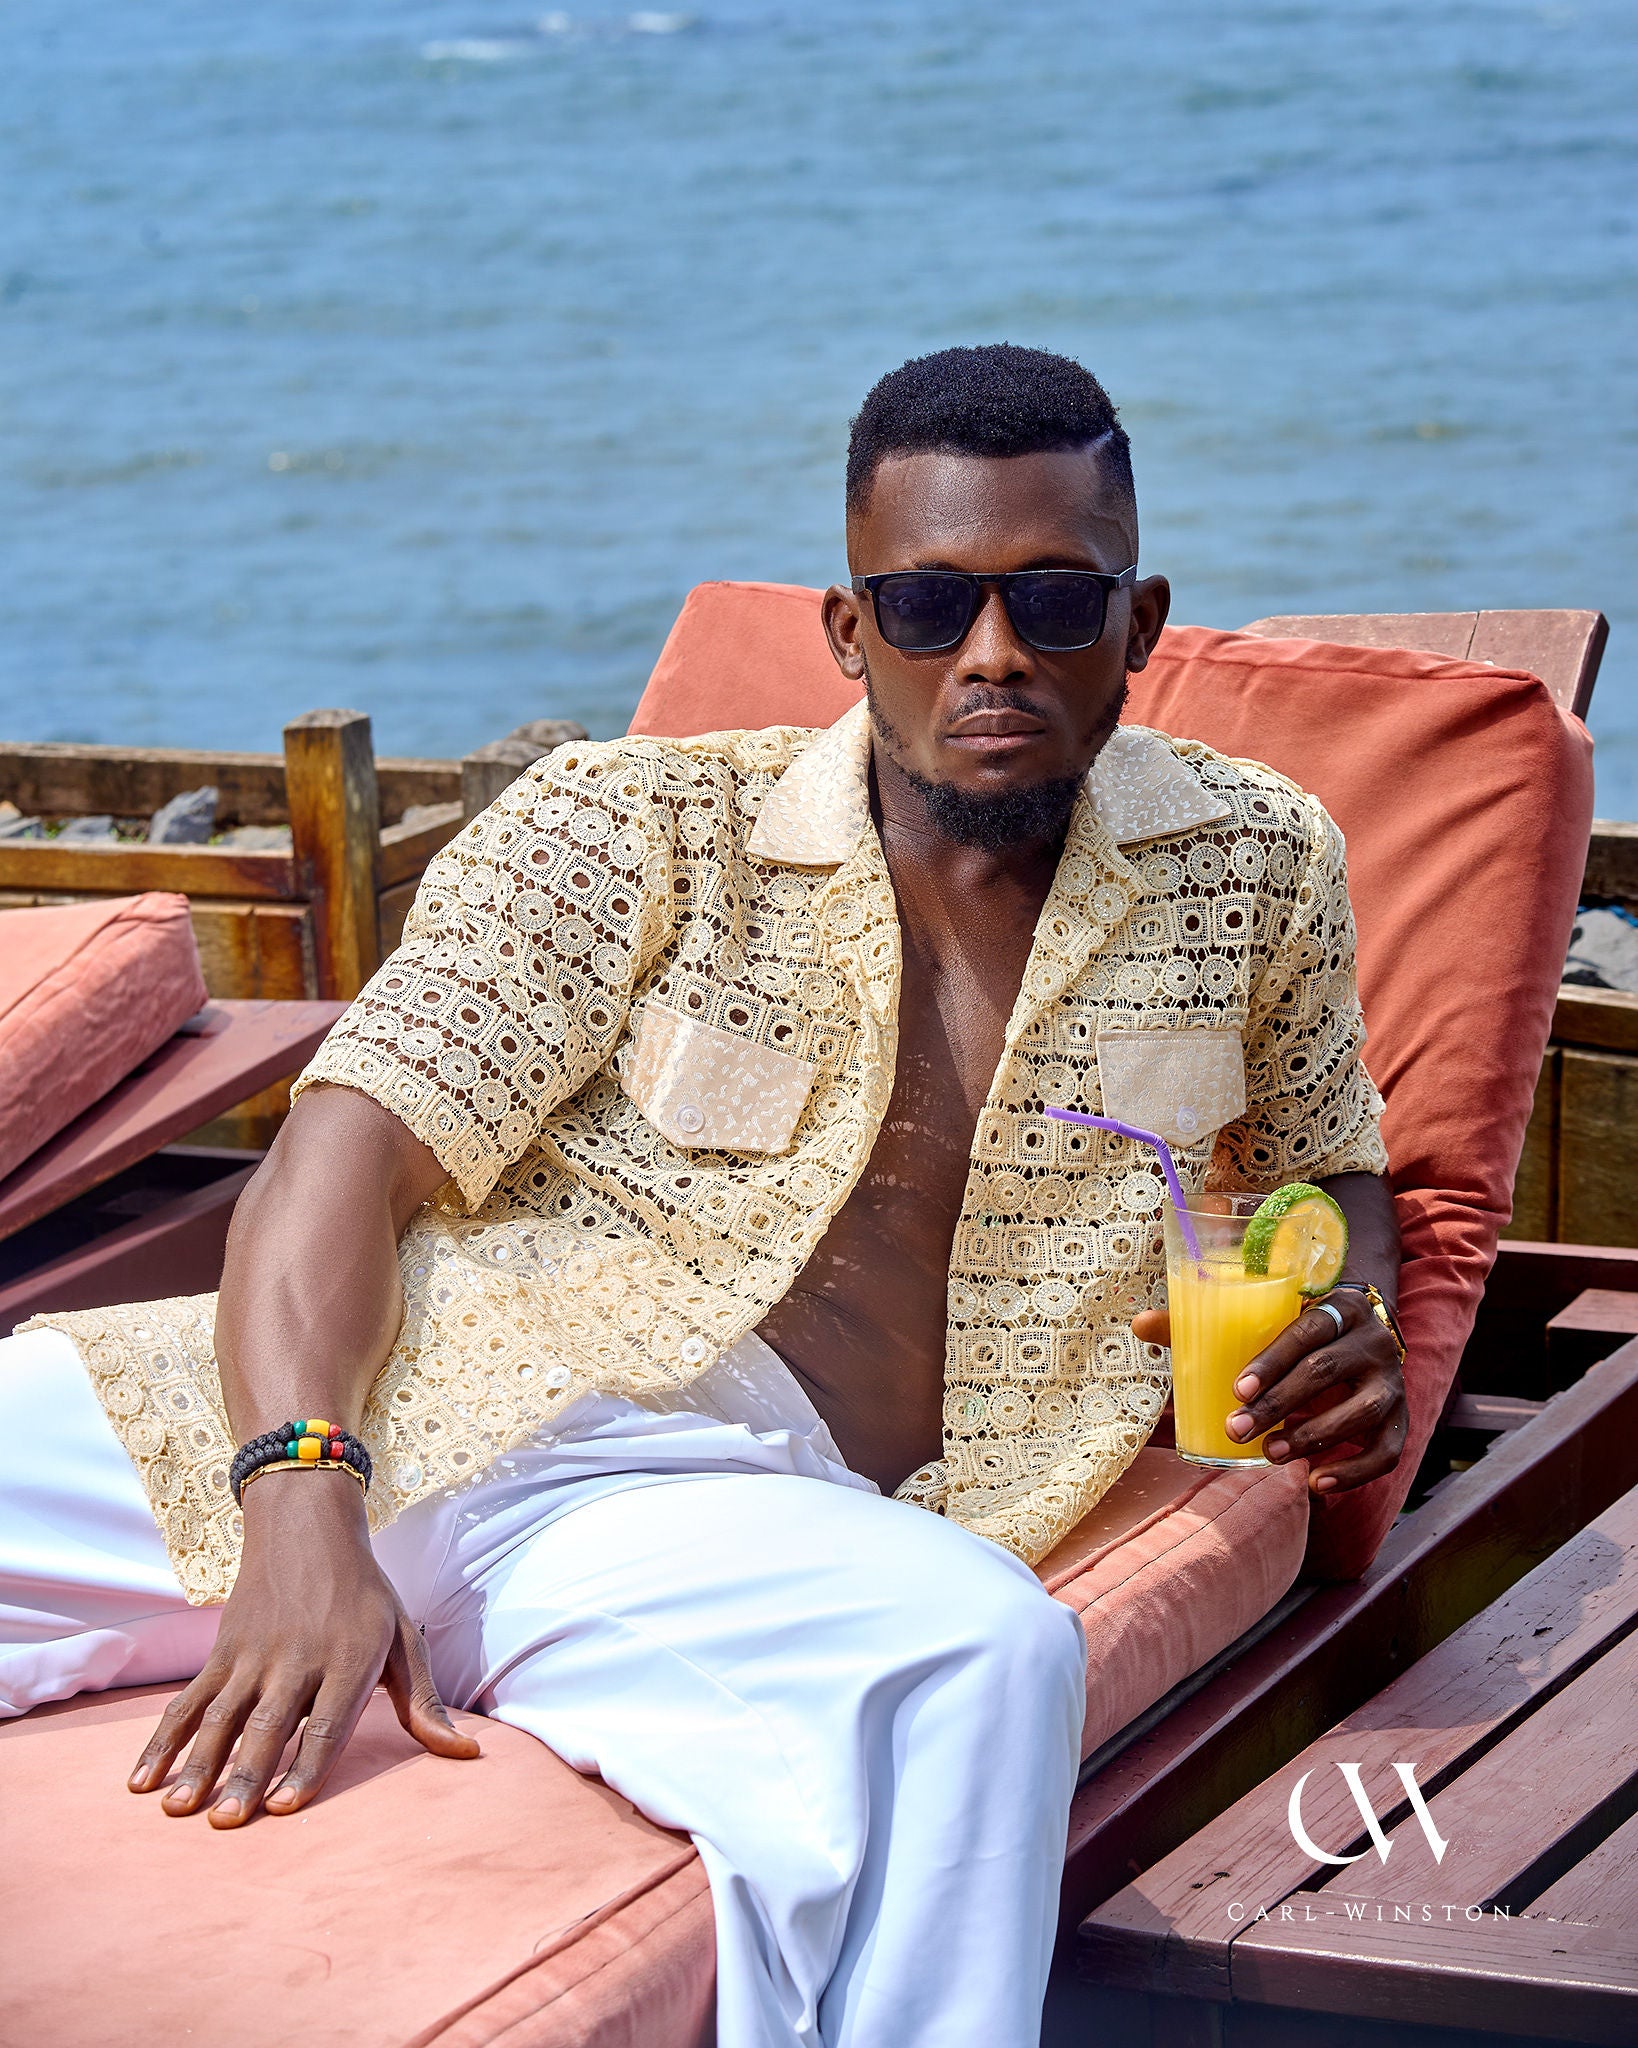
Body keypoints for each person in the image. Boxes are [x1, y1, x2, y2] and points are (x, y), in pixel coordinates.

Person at [0, 344, 1405, 2047]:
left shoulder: (1252, 863)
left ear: (1139, 615)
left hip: (721, 1509)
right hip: (401, 1382)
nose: (990, 655)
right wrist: (303, 1511)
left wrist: (1357, 1315)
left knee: (984, 1657)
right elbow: (344, 1153)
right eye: (921, 602)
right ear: (843, 627)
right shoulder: (633, 825)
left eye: (1052, 597)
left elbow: (1330, 1165)